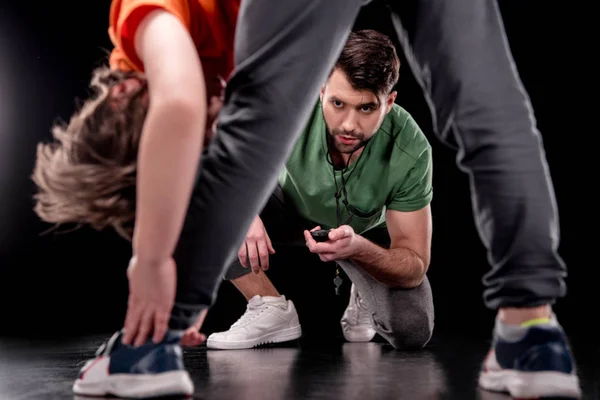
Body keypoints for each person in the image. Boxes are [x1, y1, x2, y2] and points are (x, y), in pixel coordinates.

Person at [32, 0, 580, 398]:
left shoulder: (140, 34)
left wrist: (153, 264)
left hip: (353, 233)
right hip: (297, 222)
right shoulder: (207, 62)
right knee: (493, 117)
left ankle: (148, 347)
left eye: (366, 108)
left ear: (124, 88)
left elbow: (182, 107)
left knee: (252, 130)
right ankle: (531, 331)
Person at [205, 29, 435, 352]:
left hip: (363, 236)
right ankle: (269, 306)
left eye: (367, 108)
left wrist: (358, 249)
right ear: (322, 88)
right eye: (338, 103)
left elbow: (414, 263)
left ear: (390, 102)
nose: (349, 125)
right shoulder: (286, 101)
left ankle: (363, 292)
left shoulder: (411, 149)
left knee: (412, 328)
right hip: (289, 212)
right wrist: (243, 209)